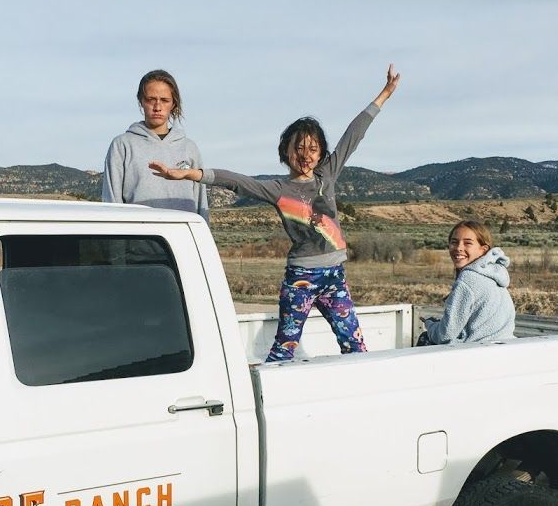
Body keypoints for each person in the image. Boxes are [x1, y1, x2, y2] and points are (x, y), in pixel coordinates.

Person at [151, 65, 400, 362]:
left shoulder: (327, 176)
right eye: (299, 148)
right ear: (286, 152)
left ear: (321, 154)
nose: (306, 155)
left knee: (355, 345)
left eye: (313, 149)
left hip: (335, 276)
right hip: (301, 277)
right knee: (284, 348)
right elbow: (236, 181)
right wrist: (190, 174)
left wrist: (384, 94)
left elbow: (353, 134)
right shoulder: (278, 189)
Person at [101, 69, 209, 222]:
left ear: (173, 104)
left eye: (164, 100)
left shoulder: (189, 148)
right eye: (151, 99)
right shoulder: (122, 145)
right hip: (138, 240)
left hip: (181, 240)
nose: (157, 107)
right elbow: (111, 203)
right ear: (141, 101)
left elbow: (200, 201)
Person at [422, 220, 516, 345]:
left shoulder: (468, 279)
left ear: (483, 250)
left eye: (467, 243)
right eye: (454, 242)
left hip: (477, 354)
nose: (459, 248)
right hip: (505, 349)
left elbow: (444, 336)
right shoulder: (495, 275)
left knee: (424, 339)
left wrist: (430, 325)